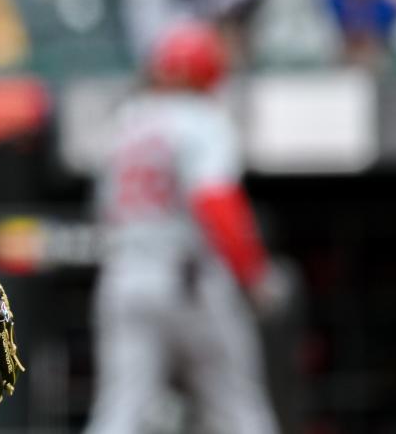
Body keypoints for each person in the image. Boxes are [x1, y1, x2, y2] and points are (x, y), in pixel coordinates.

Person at [86, 22, 280, 434]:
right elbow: (217, 204)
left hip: (123, 276)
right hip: (188, 280)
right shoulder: (202, 119)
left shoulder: (127, 121)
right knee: (237, 409)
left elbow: (102, 209)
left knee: (119, 414)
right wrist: (253, 275)